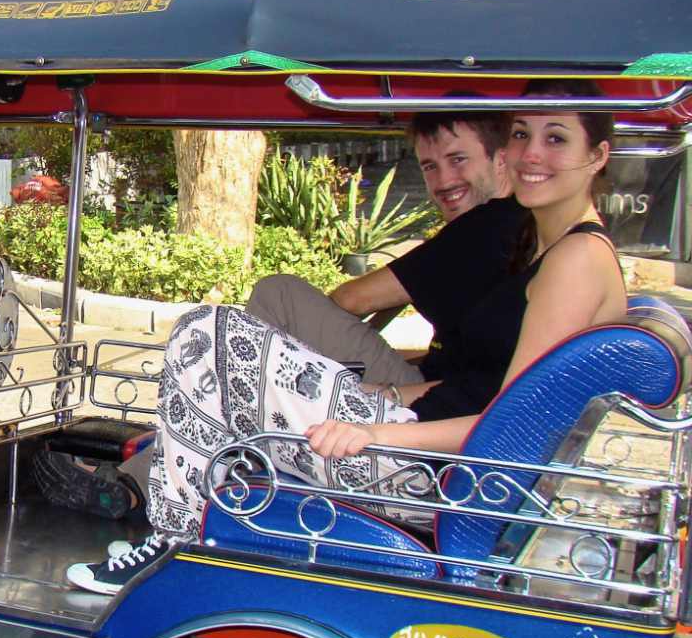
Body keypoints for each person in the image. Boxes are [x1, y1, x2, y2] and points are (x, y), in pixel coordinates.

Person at [68, 80, 625, 594]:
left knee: (207, 332)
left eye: (557, 139)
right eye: (524, 135)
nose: (532, 154)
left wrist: (374, 431)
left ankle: (175, 543)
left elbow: (510, 426)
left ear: (597, 156)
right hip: (440, 458)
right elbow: (481, 387)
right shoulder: (546, 247)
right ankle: (184, 500)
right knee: (223, 340)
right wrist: (385, 401)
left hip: (437, 483)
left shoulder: (574, 260)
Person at [36, 105, 521, 521]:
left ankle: (165, 473)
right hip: (430, 396)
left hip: (424, 428)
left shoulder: (486, 228)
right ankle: (214, 442)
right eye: (431, 167)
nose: (443, 180)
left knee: (269, 301)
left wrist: (296, 364)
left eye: (458, 160)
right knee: (266, 319)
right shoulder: (516, 241)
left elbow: (355, 299)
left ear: (502, 162)